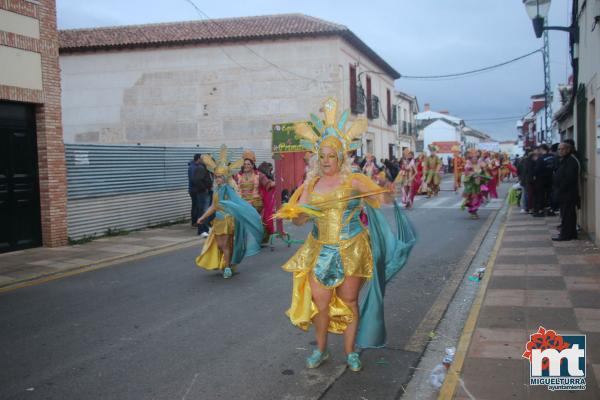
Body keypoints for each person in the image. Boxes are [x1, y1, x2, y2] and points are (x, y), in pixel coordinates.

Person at [276, 98, 416, 372]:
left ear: (340, 157)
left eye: (332, 156)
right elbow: (301, 221)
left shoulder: (354, 182)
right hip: (320, 249)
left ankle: (351, 352)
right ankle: (322, 349)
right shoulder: (311, 184)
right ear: (317, 158)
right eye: (323, 156)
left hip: (352, 249)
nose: (327, 161)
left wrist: (388, 187)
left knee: (350, 300)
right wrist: (298, 212)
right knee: (321, 302)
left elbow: (382, 199)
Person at [195, 145, 264, 279]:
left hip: (228, 220)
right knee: (220, 246)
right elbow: (213, 206)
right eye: (216, 177)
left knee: (225, 245)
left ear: (225, 177)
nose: (218, 179)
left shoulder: (228, 190)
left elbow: (235, 203)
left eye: (220, 177)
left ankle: (227, 267)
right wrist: (202, 217)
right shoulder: (216, 190)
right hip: (218, 221)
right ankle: (228, 263)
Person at [235, 151, 276, 243]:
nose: (246, 166)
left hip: (256, 204)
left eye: (248, 164)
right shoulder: (237, 176)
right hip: (242, 203)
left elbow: (268, 183)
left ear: (252, 165)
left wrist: (276, 183)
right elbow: (231, 185)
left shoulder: (259, 175)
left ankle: (256, 238)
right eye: (245, 164)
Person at [552, 142, 579, 241]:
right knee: (566, 214)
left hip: (568, 193)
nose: (560, 151)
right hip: (563, 193)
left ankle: (566, 235)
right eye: (559, 149)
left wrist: (560, 187)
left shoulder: (571, 160)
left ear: (568, 149)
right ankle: (570, 233)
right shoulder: (564, 160)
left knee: (568, 215)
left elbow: (569, 178)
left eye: (562, 149)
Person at [461, 150, 491, 219]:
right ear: (470, 158)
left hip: (478, 185)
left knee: (478, 198)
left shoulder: (480, 164)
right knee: (473, 199)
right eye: (473, 158)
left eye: (476, 157)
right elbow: (466, 174)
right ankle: (472, 212)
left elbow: (485, 171)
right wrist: (472, 175)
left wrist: (484, 172)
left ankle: (475, 211)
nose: (474, 159)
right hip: (471, 186)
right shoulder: (468, 165)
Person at [191, 153, 213, 237]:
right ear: (204, 160)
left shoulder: (206, 168)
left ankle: (206, 228)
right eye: (208, 159)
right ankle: (201, 230)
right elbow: (197, 180)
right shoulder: (201, 168)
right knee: (203, 211)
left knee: (206, 210)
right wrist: (205, 188)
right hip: (202, 193)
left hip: (206, 192)